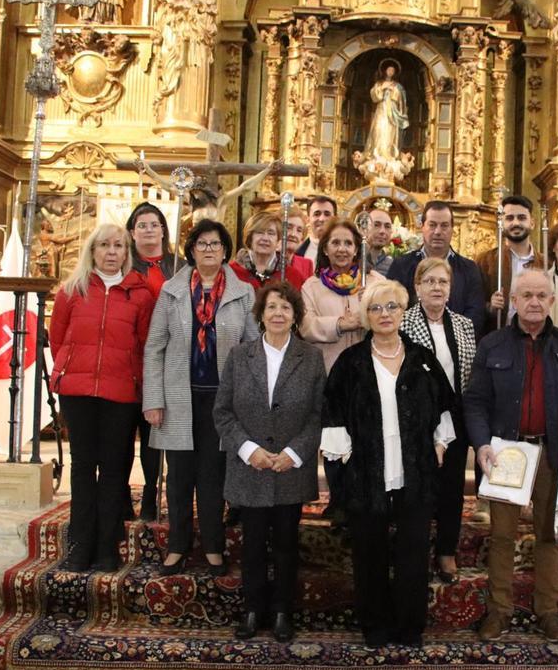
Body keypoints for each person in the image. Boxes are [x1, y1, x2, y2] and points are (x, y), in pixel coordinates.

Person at [464, 269, 558, 643]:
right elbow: (476, 402)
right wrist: (481, 444)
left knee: (550, 535)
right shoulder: (492, 345)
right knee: (502, 537)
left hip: (553, 453)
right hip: (506, 454)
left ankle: (547, 611)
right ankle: (499, 611)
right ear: (514, 300)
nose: (534, 302)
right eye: (526, 295)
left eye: (541, 296)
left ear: (552, 301)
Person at [321, 280, 456, 647]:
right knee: (370, 551)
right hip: (366, 471)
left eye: (392, 307)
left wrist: (440, 441)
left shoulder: (422, 359)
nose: (385, 315)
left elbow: (443, 405)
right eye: (377, 309)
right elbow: (332, 414)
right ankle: (375, 625)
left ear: (403, 311)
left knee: (413, 551)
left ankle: (410, 625)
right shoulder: (350, 363)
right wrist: (343, 465)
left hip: (415, 470)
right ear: (366, 316)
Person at [143, 219, 257, 577]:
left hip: (223, 400)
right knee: (179, 476)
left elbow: (254, 348)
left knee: (213, 475)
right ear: (191, 250)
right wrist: (153, 399)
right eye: (202, 244)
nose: (209, 249)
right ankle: (177, 545)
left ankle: (212, 545)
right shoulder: (171, 291)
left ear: (226, 251)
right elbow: (154, 347)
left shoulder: (243, 293)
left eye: (216, 243)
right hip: (178, 395)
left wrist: (249, 401)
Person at [213, 281, 325, 642]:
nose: (278, 313)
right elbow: (223, 412)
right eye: (272, 307)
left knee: (287, 545)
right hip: (251, 467)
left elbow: (318, 414)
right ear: (260, 314)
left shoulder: (310, 358)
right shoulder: (239, 356)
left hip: (290, 468)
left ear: (296, 316)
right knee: (253, 542)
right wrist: (248, 450)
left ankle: (281, 612)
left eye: (286, 308)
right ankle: (252, 609)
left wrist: (293, 454)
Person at [50, 223, 154, 572]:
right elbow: (57, 338)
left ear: (128, 253)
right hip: (77, 391)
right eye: (105, 246)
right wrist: (68, 369)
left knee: (113, 471)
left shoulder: (140, 294)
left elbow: (144, 345)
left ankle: (108, 547)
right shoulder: (71, 290)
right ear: (92, 250)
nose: (112, 252)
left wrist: (137, 382)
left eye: (119, 246)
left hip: (121, 392)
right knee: (82, 469)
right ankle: (80, 546)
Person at [399, 257, 477, 584]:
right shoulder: (401, 323)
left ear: (450, 288)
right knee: (417, 487)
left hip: (456, 416)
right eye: (429, 281)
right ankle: (411, 550)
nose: (436, 287)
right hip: (416, 418)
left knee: (452, 487)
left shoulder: (464, 324)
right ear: (417, 287)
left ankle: (446, 551)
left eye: (442, 282)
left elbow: (469, 374)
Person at [125, 202, 178, 521]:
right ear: (132, 232)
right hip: (130, 357)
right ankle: (120, 494)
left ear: (163, 230)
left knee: (154, 432)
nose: (148, 230)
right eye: (141, 225)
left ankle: (150, 493)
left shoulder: (180, 266)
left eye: (154, 224)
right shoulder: (123, 265)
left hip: (167, 360)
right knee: (124, 432)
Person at [299, 216, 386, 372]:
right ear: (325, 249)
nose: (342, 249)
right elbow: (306, 326)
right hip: (328, 371)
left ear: (356, 249)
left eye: (348, 243)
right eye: (335, 243)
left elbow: (394, 318)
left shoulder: (376, 282)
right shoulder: (312, 286)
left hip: (370, 370)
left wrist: (373, 309)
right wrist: (339, 325)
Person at [388, 200, 487, 336]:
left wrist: (452, 339)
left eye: (444, 226)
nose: (438, 231)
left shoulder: (469, 269)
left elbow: (475, 313)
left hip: (457, 345)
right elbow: (392, 307)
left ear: (453, 229)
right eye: (432, 225)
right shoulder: (401, 265)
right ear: (422, 227)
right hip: (410, 345)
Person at [476, 195, 545, 331]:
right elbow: (474, 303)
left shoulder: (545, 263)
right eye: (509, 218)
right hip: (498, 338)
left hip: (535, 339)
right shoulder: (485, 261)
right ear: (501, 223)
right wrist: (490, 307)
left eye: (521, 218)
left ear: (532, 223)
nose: (515, 223)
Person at [230, 210, 309, 290]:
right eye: (260, 232)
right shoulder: (231, 272)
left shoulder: (292, 275)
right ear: (250, 237)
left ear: (278, 239)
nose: (265, 238)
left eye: (271, 233)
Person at [294, 195, 337, 264]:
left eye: (327, 214)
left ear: (335, 219)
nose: (322, 219)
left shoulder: (344, 252)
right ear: (307, 220)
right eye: (317, 214)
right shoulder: (296, 253)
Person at [365, 208, 395, 276]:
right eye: (376, 225)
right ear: (364, 228)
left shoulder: (393, 266)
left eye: (387, 226)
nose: (382, 231)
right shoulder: (352, 261)